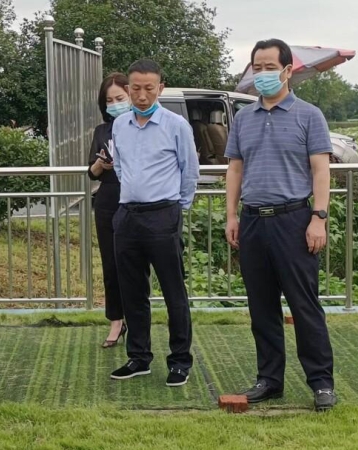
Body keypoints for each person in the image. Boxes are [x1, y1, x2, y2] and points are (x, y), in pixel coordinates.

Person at [224, 38, 336, 412]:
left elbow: (321, 170)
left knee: (305, 306)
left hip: (295, 220)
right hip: (254, 221)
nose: (263, 74)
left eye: (270, 67)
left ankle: (321, 382)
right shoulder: (243, 118)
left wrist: (318, 217)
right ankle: (269, 380)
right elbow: (235, 169)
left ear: (288, 70)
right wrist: (232, 215)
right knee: (262, 307)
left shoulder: (309, 115)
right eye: (257, 67)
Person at [109, 59, 199, 387]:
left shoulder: (176, 125)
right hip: (127, 216)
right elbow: (119, 166)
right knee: (132, 292)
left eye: (149, 88)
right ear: (128, 88)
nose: (142, 95)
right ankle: (138, 357)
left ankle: (180, 361)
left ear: (161, 87)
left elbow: (190, 171)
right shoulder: (120, 125)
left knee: (174, 292)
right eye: (136, 88)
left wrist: (177, 208)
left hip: (164, 215)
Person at [88, 72, 129, 348]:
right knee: (110, 264)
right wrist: (100, 165)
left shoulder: (140, 125)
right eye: (109, 101)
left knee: (135, 263)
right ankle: (116, 320)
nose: (114, 104)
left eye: (119, 98)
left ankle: (137, 319)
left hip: (135, 201)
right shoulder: (102, 131)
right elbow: (91, 172)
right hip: (107, 201)